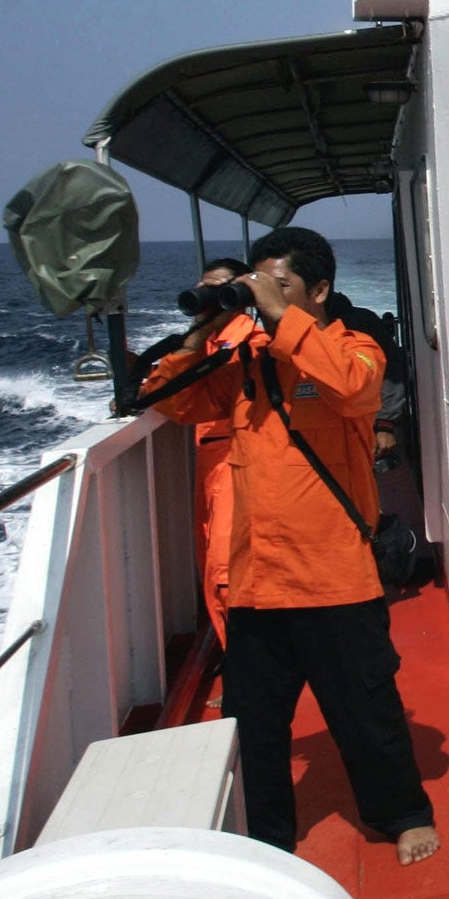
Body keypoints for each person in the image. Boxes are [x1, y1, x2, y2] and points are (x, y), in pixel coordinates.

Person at [142, 227, 440, 864]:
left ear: (321, 290)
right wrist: (203, 333)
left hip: (336, 575)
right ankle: (269, 839)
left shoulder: (352, 347)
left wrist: (281, 319)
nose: (268, 297)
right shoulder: (245, 365)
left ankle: (404, 813)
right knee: (256, 727)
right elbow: (172, 402)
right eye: (263, 285)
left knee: (367, 712)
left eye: (284, 285)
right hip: (260, 581)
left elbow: (355, 390)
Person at [190, 256, 258, 647]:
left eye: (220, 289)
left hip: (232, 462)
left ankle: (242, 670)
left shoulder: (245, 339)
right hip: (210, 461)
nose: (208, 298)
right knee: (209, 559)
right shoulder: (207, 338)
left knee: (225, 571)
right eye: (204, 288)